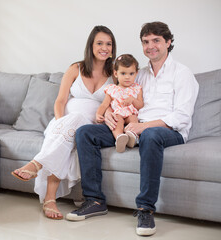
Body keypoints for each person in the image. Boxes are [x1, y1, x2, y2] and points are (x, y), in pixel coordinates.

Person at [66, 21, 199, 236]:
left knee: (150, 134)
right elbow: (118, 97)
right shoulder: (139, 74)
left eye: (156, 40)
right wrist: (109, 113)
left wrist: (143, 126)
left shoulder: (182, 73)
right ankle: (94, 200)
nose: (150, 46)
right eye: (146, 42)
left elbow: (182, 117)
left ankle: (145, 209)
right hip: (131, 127)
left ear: (168, 42)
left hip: (166, 131)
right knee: (85, 133)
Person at [11, 25, 116, 220]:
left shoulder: (115, 74)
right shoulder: (75, 68)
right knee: (68, 131)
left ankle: (38, 167)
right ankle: (49, 198)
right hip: (63, 122)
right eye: (100, 43)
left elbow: (115, 102)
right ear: (91, 45)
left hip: (90, 128)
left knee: (75, 126)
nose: (105, 48)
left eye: (109, 44)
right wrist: (62, 123)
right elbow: (60, 101)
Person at [95, 54, 143, 153]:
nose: (127, 77)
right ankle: (120, 138)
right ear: (116, 73)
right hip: (118, 113)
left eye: (131, 74)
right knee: (117, 121)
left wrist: (133, 100)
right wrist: (98, 114)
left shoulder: (137, 88)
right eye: (123, 73)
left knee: (133, 118)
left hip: (131, 114)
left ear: (136, 73)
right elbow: (105, 104)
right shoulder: (112, 89)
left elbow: (140, 105)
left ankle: (132, 136)